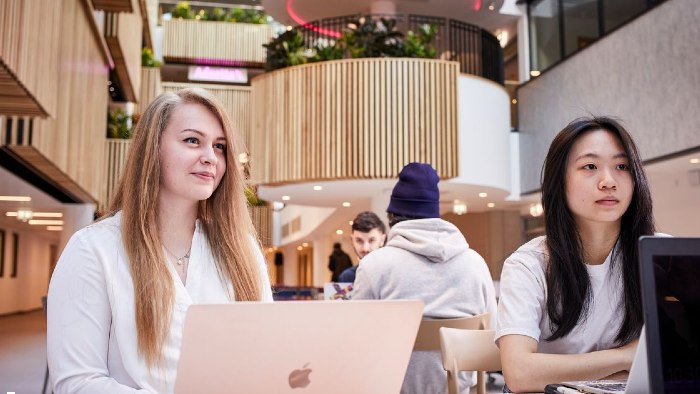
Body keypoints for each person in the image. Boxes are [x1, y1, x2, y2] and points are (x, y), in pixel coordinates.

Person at [47, 88, 273, 393]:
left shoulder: (241, 251)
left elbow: (266, 360)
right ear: (153, 149)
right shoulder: (93, 249)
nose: (210, 158)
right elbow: (77, 383)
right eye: (193, 140)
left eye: (219, 147)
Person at [496, 116, 656, 393]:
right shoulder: (529, 265)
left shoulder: (658, 256)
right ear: (560, 181)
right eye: (590, 166)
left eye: (622, 166)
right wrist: (627, 357)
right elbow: (520, 374)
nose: (608, 181)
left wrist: (556, 369)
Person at [353, 162, 497, 394]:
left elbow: (356, 340)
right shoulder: (475, 264)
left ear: (391, 217)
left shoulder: (374, 266)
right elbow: (493, 337)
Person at [338, 211, 387, 283]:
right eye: (359, 240)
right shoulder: (346, 277)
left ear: (382, 240)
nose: (365, 248)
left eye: (371, 240)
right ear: (352, 240)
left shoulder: (392, 275)